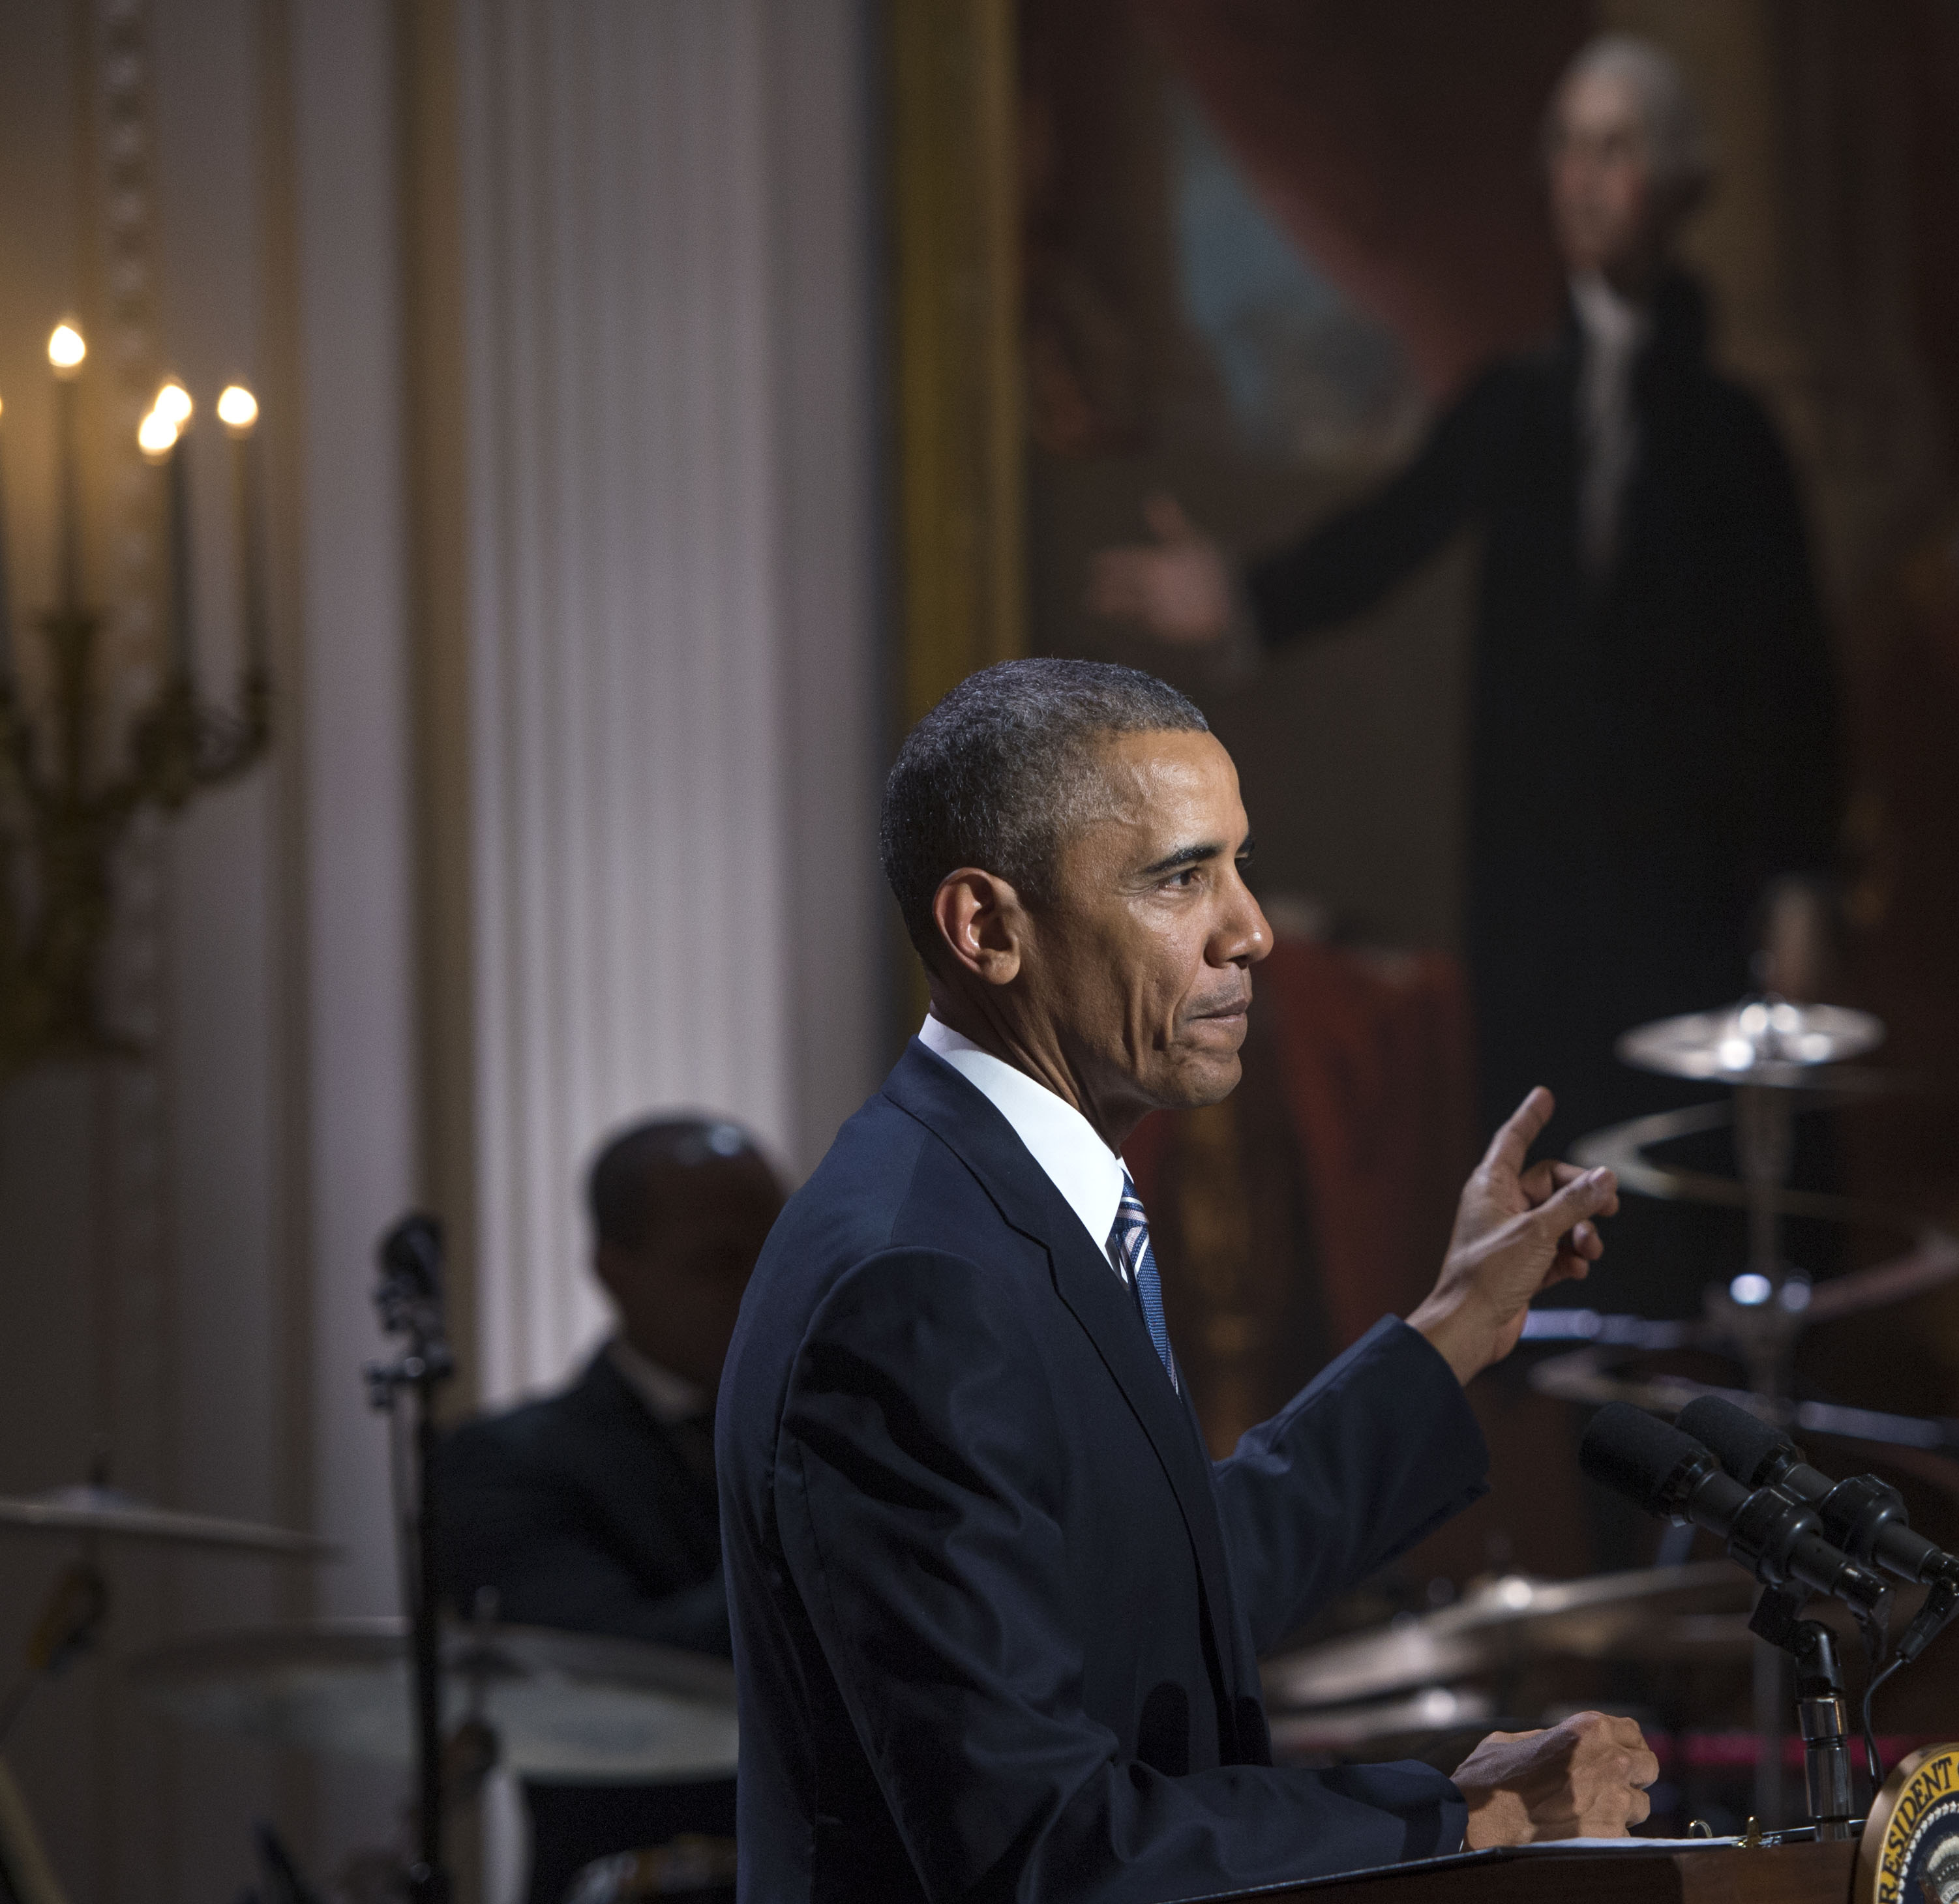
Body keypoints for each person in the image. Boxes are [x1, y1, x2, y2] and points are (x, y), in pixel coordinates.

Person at [717, 659, 1658, 1902]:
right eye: (1181, 878)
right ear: (986, 928)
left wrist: (1452, 1330)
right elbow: (1048, 1851)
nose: (1253, 930)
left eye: (1240, 864)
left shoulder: (988, 1195)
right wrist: (1462, 1815)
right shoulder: (916, 1289)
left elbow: (1155, 1582)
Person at [1087, 33, 1842, 1153]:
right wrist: (1241, 596)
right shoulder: (1514, 406)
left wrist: (1796, 885)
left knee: (1683, 1193)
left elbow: (1795, 678)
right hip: (1537, 899)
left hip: (1687, 900)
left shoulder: (1736, 440)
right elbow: (1386, 536)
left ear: (1679, 186)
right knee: (1545, 1204)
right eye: (1572, 150)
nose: (1587, 180)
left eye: (1618, 150)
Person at [430, 1115, 786, 1904]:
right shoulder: (505, 1462)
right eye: (721, 1263)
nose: (770, 1287)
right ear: (612, 1269)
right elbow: (612, 1676)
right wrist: (840, 1539)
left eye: (786, 1250)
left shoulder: (848, 1437)